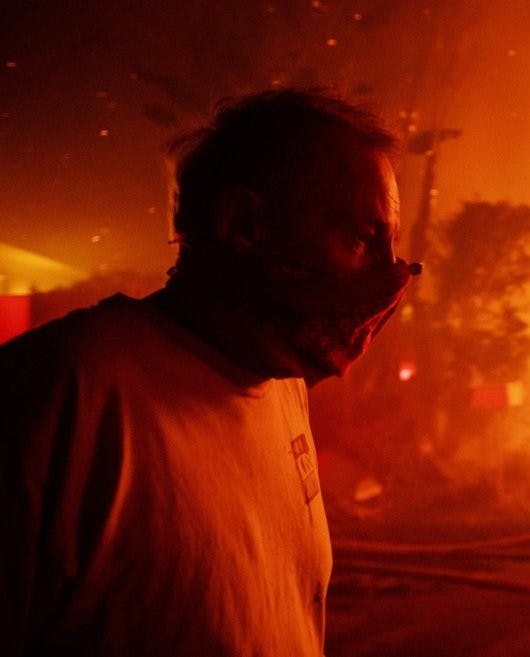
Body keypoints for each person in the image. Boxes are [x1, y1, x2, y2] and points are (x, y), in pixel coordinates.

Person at [0, 88, 420, 656]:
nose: (388, 276)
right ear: (242, 224)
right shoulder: (62, 393)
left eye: (389, 245)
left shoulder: (281, 388)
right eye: (359, 239)